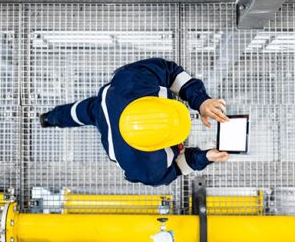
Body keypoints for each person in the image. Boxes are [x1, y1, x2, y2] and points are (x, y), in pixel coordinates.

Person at [39, 58, 230, 186]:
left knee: (79, 112)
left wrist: (201, 100)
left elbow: (170, 72)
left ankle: (48, 118)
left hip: (108, 103)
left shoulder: (135, 80)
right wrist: (205, 157)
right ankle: (48, 119)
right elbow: (177, 168)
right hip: (109, 118)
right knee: (81, 112)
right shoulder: (145, 168)